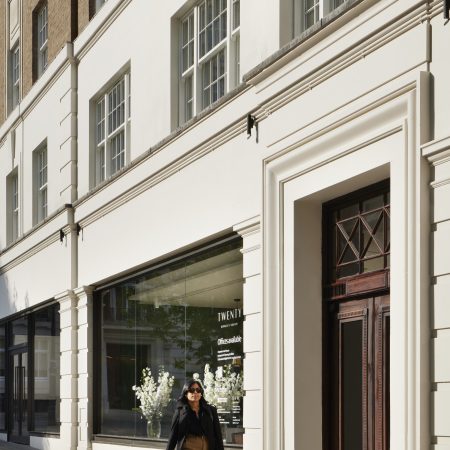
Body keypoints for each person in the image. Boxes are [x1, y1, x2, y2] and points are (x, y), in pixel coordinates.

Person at [166, 379, 224, 450]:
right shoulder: (180, 412)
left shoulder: (211, 410)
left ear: (201, 393)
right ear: (186, 393)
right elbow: (173, 437)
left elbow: (218, 436)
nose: (195, 392)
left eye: (198, 390)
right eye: (192, 390)